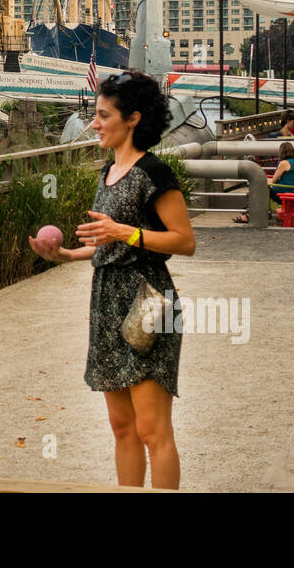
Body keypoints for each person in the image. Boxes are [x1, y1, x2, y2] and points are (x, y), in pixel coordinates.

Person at [28, 71, 196, 489]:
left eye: (103, 115)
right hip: (107, 299)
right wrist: (66, 254)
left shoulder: (154, 173)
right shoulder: (108, 171)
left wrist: (127, 232)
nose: (94, 123)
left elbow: (184, 241)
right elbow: (105, 244)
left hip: (149, 301)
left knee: (152, 430)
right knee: (122, 427)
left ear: (133, 118)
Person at [232, 141, 294, 224]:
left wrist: (262, 181)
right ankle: (255, 212)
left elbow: (273, 181)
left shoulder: (284, 163)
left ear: (281, 152)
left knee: (262, 188)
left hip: (286, 195)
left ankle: (250, 214)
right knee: (265, 189)